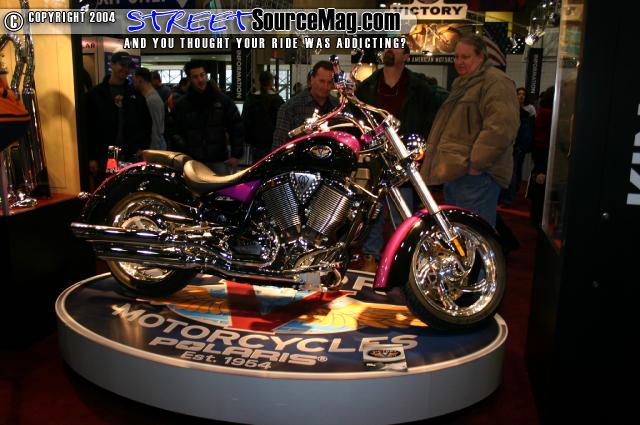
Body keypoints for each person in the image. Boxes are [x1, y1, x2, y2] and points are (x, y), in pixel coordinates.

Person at [420, 34, 519, 227]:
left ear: (481, 57)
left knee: (474, 232)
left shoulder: (496, 82)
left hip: (476, 175)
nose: (459, 62)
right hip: (457, 172)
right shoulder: (464, 83)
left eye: (465, 57)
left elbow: (501, 128)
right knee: (460, 231)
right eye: (456, 57)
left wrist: (476, 165)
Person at [355, 44, 438, 271]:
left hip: (404, 161)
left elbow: (429, 125)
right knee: (372, 213)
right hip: (374, 160)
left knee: (402, 215)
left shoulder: (420, 89)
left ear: (407, 56)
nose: (389, 50)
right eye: (387, 47)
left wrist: (418, 152)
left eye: (397, 47)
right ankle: (371, 257)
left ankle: (399, 260)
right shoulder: (366, 87)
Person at [167, 59, 243, 175]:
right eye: (195, 77)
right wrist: (185, 148)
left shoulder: (222, 100)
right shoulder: (182, 104)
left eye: (202, 75)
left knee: (221, 186)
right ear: (190, 79)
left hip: (218, 158)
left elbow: (236, 126)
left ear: (206, 76)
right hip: (192, 160)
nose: (200, 79)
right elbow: (172, 129)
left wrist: (236, 155)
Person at [84, 51, 151, 174]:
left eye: (128, 66)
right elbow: (88, 127)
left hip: (131, 153)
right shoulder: (95, 94)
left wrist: (142, 147)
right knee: (109, 183)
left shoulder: (135, 95)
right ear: (112, 65)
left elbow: (146, 123)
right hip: (107, 153)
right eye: (122, 65)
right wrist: (91, 157)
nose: (125, 69)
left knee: (129, 183)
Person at [271, 61, 338, 150]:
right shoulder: (290, 107)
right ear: (312, 79)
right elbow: (278, 147)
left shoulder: (337, 106)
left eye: (329, 82)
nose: (326, 86)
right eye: (322, 81)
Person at [500, 87, 536, 207]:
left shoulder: (529, 109)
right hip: (508, 143)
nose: (521, 96)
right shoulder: (510, 107)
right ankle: (507, 195)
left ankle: (508, 197)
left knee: (514, 171)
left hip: (518, 144)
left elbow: (530, 129)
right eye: (519, 94)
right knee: (511, 171)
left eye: (523, 94)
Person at [241, 71, 284, 162]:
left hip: (256, 143)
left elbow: (245, 122)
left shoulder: (251, 100)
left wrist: (248, 139)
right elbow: (283, 122)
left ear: (259, 82)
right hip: (274, 142)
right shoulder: (278, 100)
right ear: (271, 82)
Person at [528, 86, 554, 227]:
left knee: (539, 181)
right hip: (544, 151)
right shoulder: (549, 113)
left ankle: (535, 216)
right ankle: (537, 217)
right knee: (541, 183)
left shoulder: (543, 111)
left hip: (539, 150)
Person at [133, 67, 167, 150]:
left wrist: (151, 150)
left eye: (134, 80)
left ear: (139, 79)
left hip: (155, 145)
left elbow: (155, 127)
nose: (133, 83)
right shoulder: (150, 96)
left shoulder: (151, 99)